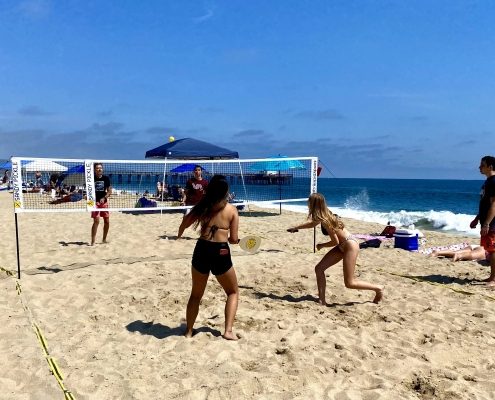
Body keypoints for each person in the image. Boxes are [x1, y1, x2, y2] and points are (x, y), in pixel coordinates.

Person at [287, 193, 384, 305]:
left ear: (313, 204)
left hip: (349, 245)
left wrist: (322, 245)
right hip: (342, 245)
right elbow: (312, 224)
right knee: (319, 269)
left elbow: (335, 242)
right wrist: (296, 228)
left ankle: (378, 288)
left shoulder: (326, 220)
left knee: (350, 283)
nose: (307, 204)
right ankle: (322, 300)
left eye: (309, 202)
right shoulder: (323, 215)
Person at [177, 175, 240, 340]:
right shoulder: (231, 210)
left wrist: (179, 234)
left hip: (202, 249)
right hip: (220, 252)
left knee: (196, 295)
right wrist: (238, 240)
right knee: (233, 292)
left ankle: (189, 331)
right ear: (226, 192)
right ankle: (228, 331)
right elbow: (233, 240)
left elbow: (185, 223)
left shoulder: (203, 206)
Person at [470, 155, 495, 285]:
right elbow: (484, 203)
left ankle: (494, 278)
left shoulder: (494, 181)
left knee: (493, 249)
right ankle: (492, 277)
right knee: (489, 250)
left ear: (490, 166)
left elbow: (494, 204)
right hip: (486, 220)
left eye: (482, 165)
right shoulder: (488, 181)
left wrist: (487, 223)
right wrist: (477, 219)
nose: (479, 167)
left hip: (492, 223)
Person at [91, 163, 112, 246]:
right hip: (93, 202)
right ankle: (92, 241)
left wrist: (104, 197)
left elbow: (109, 191)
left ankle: (104, 239)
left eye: (100, 168)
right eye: (97, 168)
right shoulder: (91, 178)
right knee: (96, 221)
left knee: (107, 221)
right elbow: (87, 192)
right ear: (94, 170)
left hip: (104, 202)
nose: (99, 169)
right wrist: (89, 200)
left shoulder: (106, 178)